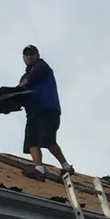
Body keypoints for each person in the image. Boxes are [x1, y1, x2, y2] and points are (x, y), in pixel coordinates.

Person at [17, 44, 73, 180]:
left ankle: (66, 167)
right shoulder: (25, 75)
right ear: (23, 57)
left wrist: (20, 87)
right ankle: (39, 169)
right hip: (32, 113)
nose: (29, 56)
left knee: (48, 140)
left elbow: (31, 79)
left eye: (32, 54)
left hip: (47, 109)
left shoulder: (42, 67)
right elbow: (21, 94)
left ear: (37, 55)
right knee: (31, 142)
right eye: (27, 54)